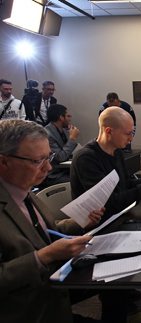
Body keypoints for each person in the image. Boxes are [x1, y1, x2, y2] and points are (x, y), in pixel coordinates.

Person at [0, 119, 103, 322]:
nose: (48, 168)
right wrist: (43, 257)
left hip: (54, 299)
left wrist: (81, 222)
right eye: (38, 161)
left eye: (49, 157)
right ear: (3, 162)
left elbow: (46, 230)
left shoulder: (24, 189)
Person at [71, 106, 141, 220]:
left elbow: (127, 184)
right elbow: (110, 204)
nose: (131, 138)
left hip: (118, 216)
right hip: (100, 225)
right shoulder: (86, 158)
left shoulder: (117, 152)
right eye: (128, 133)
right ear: (109, 131)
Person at [43, 104, 80, 187]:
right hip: (54, 174)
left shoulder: (63, 130)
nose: (70, 118)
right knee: (80, 180)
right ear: (61, 117)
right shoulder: (47, 134)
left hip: (64, 169)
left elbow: (69, 152)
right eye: (67, 116)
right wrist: (72, 138)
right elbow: (60, 157)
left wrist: (70, 136)